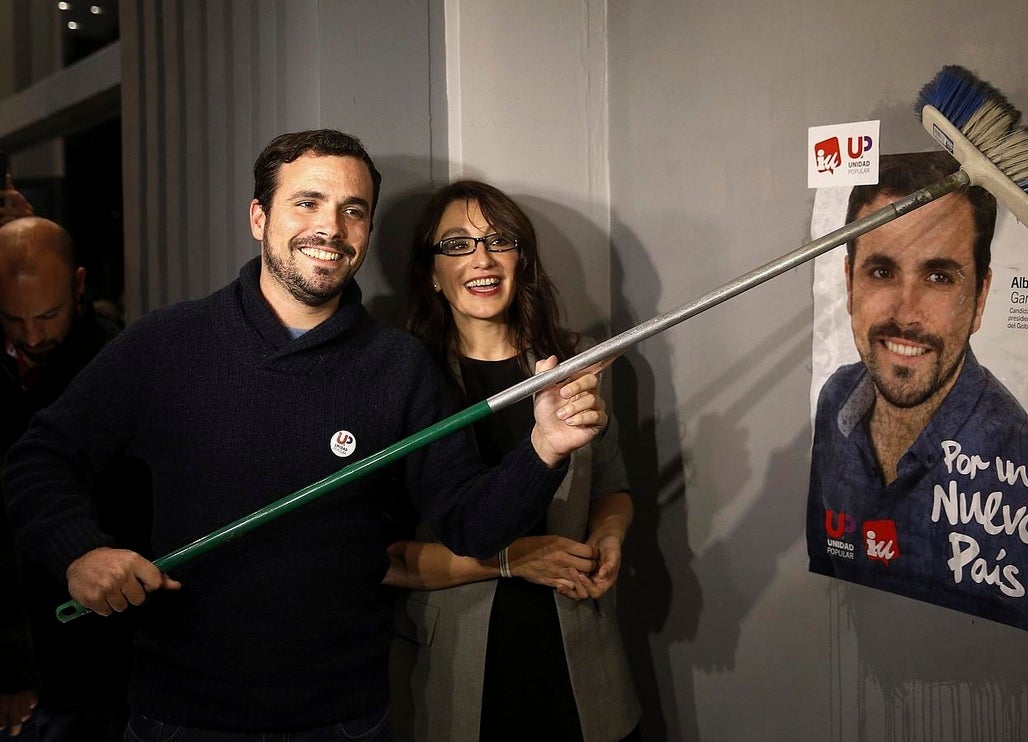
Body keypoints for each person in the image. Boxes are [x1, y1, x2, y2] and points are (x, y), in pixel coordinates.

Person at [3, 130, 609, 741]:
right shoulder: (167, 343)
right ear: (259, 217)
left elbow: (470, 527)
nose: (332, 227)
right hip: (182, 716)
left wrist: (545, 447)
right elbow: (40, 458)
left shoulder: (398, 366)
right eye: (307, 203)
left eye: (354, 210)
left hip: (344, 718)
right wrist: (78, 551)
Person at [385, 181, 641, 741]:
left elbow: (613, 488)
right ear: (432, 273)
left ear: (521, 259)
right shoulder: (405, 381)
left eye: (498, 239)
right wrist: (512, 559)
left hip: (580, 660)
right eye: (456, 244)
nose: (481, 258)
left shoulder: (577, 363)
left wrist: (609, 537)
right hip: (458, 672)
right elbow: (385, 560)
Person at [806, 151, 1028, 640]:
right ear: (849, 283)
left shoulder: (1022, 463)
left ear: (980, 299)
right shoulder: (835, 397)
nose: (906, 313)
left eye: (939, 277)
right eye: (881, 272)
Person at [0, 217, 148, 741]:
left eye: (48, 314)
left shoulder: (118, 364)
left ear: (80, 286)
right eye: (12, 319)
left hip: (94, 649)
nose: (33, 335)